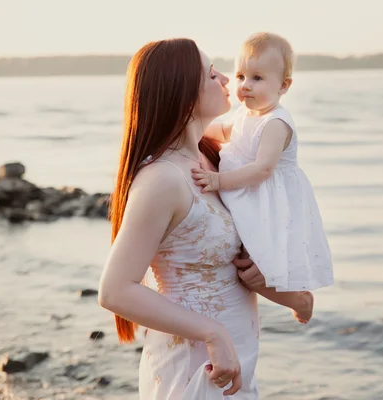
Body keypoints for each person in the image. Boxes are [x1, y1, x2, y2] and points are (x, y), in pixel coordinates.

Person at [98, 38, 311, 399]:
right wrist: (214, 333)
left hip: (237, 364)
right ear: (183, 94)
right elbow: (115, 290)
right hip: (196, 367)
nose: (229, 79)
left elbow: (240, 258)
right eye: (213, 74)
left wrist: (278, 283)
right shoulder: (164, 179)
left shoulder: (219, 160)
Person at [192, 32, 334, 323]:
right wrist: (189, 127)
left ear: (283, 86)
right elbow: (221, 132)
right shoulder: (247, 114)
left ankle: (300, 301)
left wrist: (217, 181)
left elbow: (263, 169)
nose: (245, 86)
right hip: (248, 193)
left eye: (257, 78)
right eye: (241, 76)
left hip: (269, 201)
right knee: (242, 262)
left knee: (253, 268)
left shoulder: (276, 123)